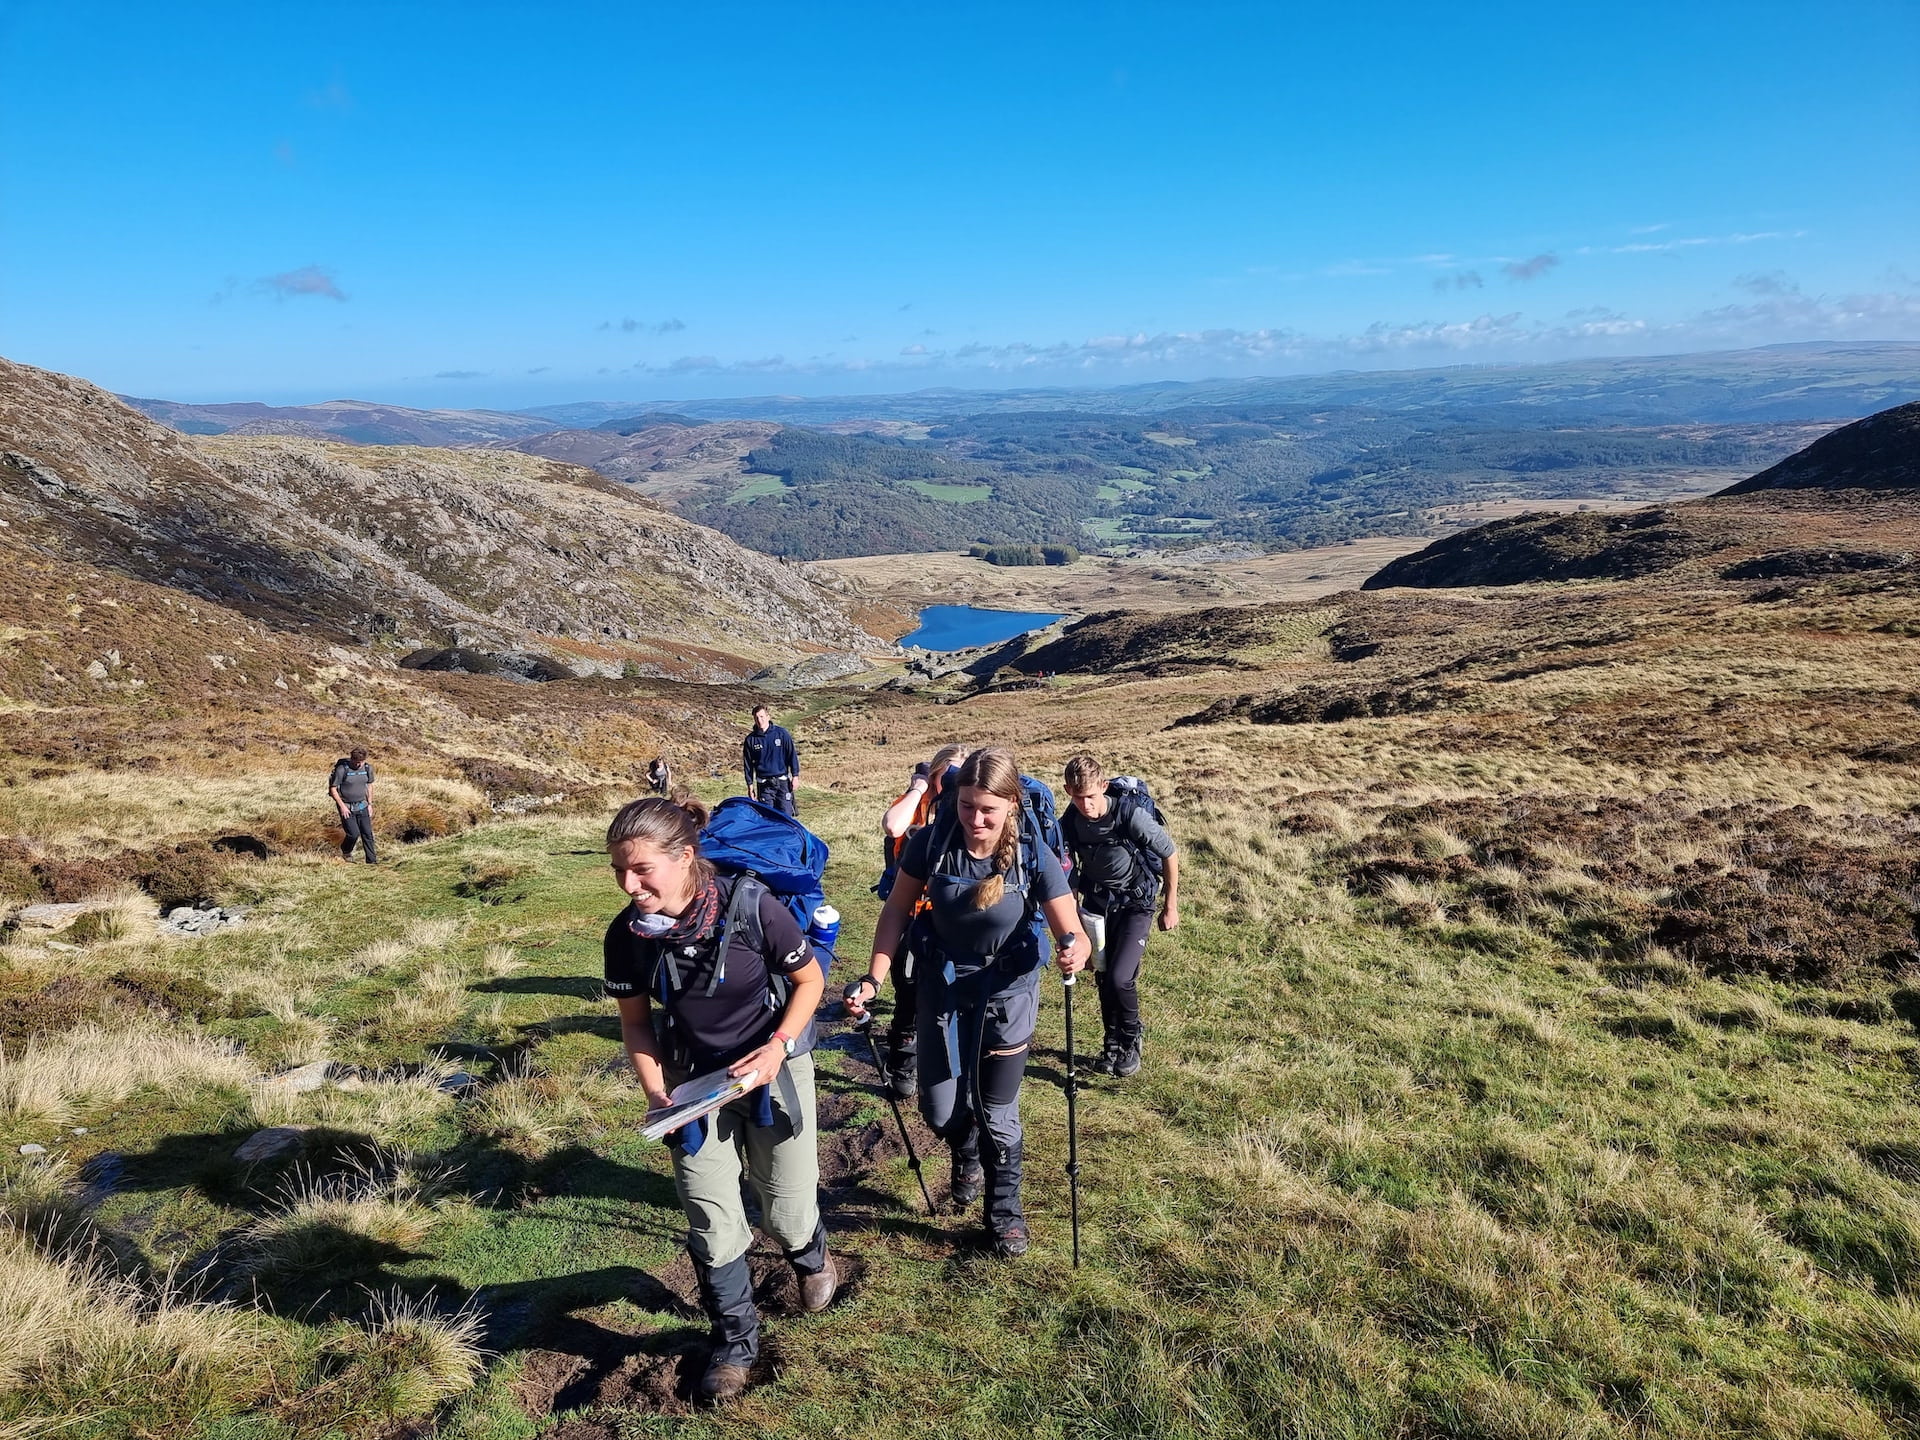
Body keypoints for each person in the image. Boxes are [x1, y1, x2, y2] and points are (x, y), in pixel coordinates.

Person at [602, 794, 836, 1403]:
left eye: (642, 869)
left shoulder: (753, 909)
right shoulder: (627, 937)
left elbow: (810, 982)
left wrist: (777, 1047)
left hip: (773, 1067)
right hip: (690, 1085)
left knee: (784, 1208)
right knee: (711, 1219)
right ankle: (736, 1344)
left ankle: (810, 1257)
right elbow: (636, 1025)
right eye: (619, 871)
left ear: (684, 857)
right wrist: (658, 1093)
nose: (629, 884)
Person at [846, 747, 1088, 1258]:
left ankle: (1005, 1214)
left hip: (1008, 995)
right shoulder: (931, 842)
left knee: (997, 1109)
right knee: (939, 1109)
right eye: (966, 806)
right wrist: (873, 978)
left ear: (1011, 808)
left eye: (989, 811)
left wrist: (1075, 951)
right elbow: (896, 911)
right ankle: (967, 1150)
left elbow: (1074, 930)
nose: (976, 820)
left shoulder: (1032, 854)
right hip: (943, 989)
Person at [1059, 756, 1179, 1079]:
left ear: (1104, 786)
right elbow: (1066, 871)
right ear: (1068, 790)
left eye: (1091, 796)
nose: (1086, 804)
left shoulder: (1128, 815)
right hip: (1097, 906)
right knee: (1102, 974)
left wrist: (1170, 905)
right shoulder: (1069, 822)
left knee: (1120, 977)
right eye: (1078, 796)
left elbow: (1169, 852)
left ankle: (1130, 1037)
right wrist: (1073, 922)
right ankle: (1110, 1040)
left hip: (1136, 905)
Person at [874, 743, 968, 1100]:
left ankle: (946, 1059)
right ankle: (902, 1062)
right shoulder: (919, 804)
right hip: (912, 915)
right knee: (908, 994)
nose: (956, 781)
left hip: (951, 916)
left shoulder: (964, 807)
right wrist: (919, 788)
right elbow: (892, 825)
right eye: (950, 773)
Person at [741, 705, 799, 816]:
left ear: (768, 717)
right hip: (764, 786)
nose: (759, 720)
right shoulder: (750, 740)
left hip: (782, 783)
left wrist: (795, 776)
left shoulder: (782, 734)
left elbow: (792, 755)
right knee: (768, 817)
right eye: (756, 718)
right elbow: (748, 765)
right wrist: (750, 786)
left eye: (762, 717)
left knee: (786, 817)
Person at [328, 746, 377, 865]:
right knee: (353, 833)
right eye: (356, 762)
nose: (359, 765)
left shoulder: (367, 768)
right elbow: (333, 789)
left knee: (367, 834)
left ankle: (372, 862)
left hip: (362, 805)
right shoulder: (342, 770)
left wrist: (369, 804)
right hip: (346, 807)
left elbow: (369, 786)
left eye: (361, 762)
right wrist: (342, 806)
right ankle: (346, 851)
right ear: (352, 759)